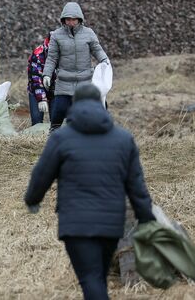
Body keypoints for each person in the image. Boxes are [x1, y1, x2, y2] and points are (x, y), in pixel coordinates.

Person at [24, 84, 155, 300]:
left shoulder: (61, 138)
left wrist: (32, 199)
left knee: (90, 279)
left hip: (75, 225)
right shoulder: (123, 139)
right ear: (101, 105)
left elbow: (42, 174)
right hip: (111, 224)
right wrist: (146, 217)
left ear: (74, 106)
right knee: (97, 278)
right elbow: (136, 185)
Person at [42, 2, 110, 131]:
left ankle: (101, 133)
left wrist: (104, 60)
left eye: (74, 19)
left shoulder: (89, 33)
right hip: (64, 82)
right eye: (68, 19)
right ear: (63, 20)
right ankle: (54, 136)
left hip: (86, 81)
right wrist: (47, 74)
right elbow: (52, 58)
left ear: (79, 19)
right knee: (58, 111)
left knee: (97, 108)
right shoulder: (56, 35)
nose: (71, 22)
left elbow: (97, 49)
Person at [27, 33, 56, 125]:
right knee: (36, 121)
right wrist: (41, 99)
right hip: (36, 89)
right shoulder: (38, 54)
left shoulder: (65, 53)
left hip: (56, 91)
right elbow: (35, 78)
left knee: (57, 121)